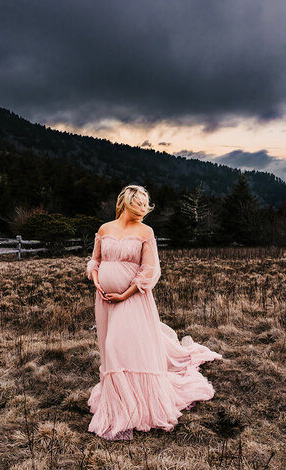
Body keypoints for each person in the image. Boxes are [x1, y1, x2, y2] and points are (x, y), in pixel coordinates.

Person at [86, 185, 223, 441]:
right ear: (126, 202)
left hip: (132, 299)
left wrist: (124, 294)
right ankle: (119, 401)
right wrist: (96, 281)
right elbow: (95, 261)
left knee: (118, 347)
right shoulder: (105, 229)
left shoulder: (145, 232)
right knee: (110, 349)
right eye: (138, 203)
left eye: (145, 204)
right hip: (104, 301)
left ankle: (136, 407)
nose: (143, 208)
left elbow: (150, 270)